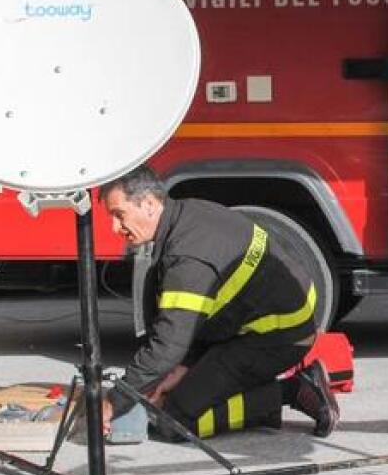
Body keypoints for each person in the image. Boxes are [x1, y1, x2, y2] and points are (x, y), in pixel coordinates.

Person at [98, 165, 339, 443]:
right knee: (174, 389)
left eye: (119, 215)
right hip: (267, 321)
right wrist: (182, 369)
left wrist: (114, 403)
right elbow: (191, 326)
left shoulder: (188, 258)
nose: (115, 227)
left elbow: (168, 344)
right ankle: (255, 398)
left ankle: (293, 390)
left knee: (173, 421)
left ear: (149, 205)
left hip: (277, 339)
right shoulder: (188, 213)